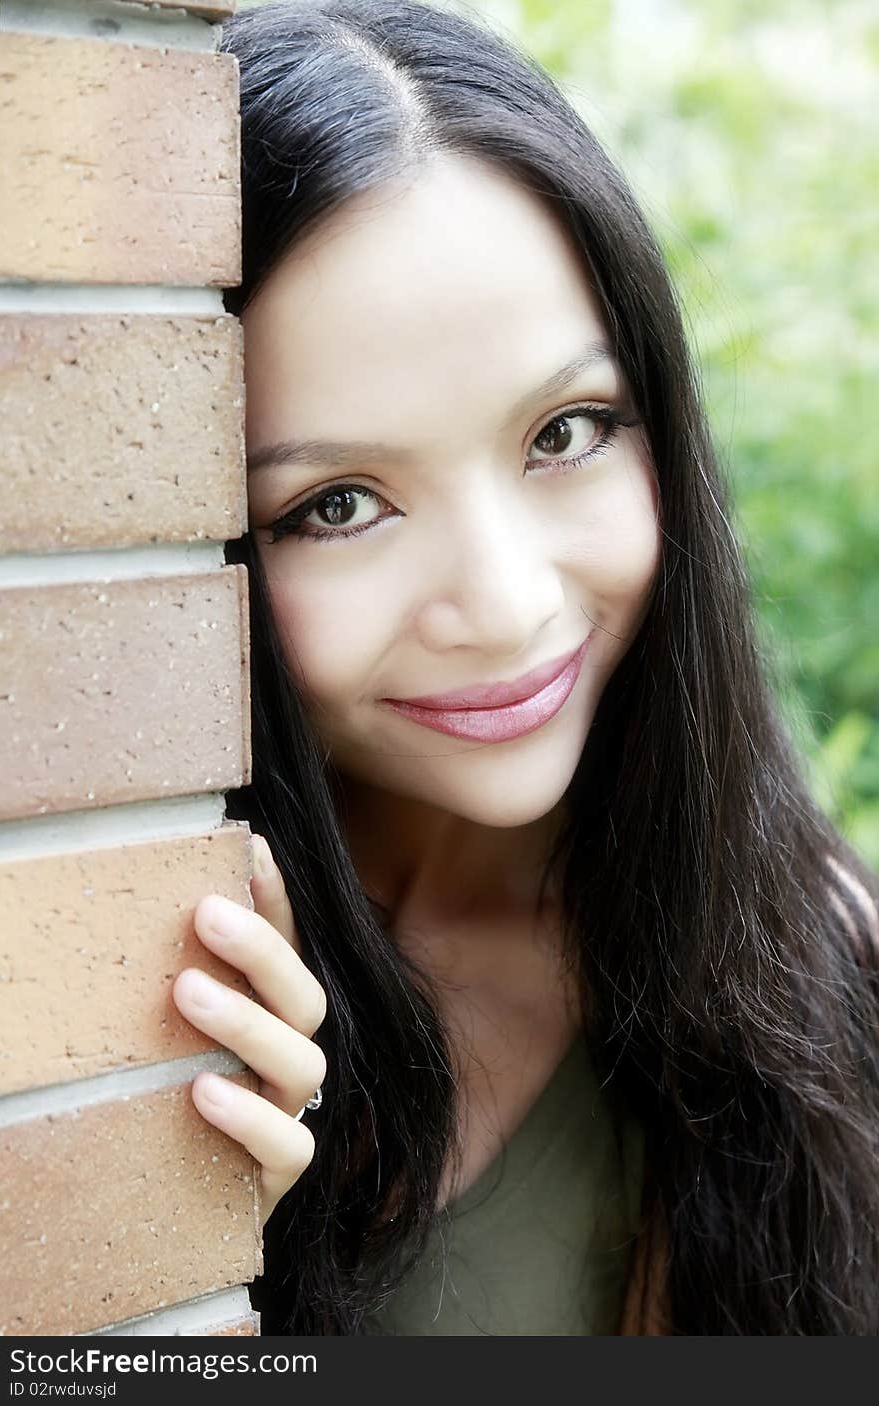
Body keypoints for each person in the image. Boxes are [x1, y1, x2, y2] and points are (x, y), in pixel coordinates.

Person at [170, 0, 879, 1335]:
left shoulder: (816, 961)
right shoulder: (143, 1021)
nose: (504, 606)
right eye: (336, 504)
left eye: (568, 429)